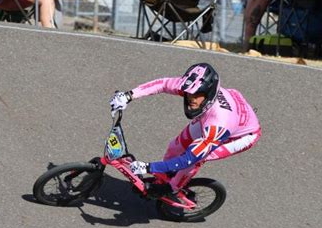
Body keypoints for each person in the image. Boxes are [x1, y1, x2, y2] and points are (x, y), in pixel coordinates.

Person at [109, 63, 261, 197]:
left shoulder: (219, 124)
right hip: (216, 115)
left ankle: (173, 188)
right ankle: (163, 176)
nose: (191, 98)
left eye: (196, 95)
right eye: (189, 93)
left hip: (240, 135)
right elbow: (162, 84)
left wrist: (148, 167)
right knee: (175, 147)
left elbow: (188, 159)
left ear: (209, 93)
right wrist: (128, 95)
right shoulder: (193, 88)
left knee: (198, 158)